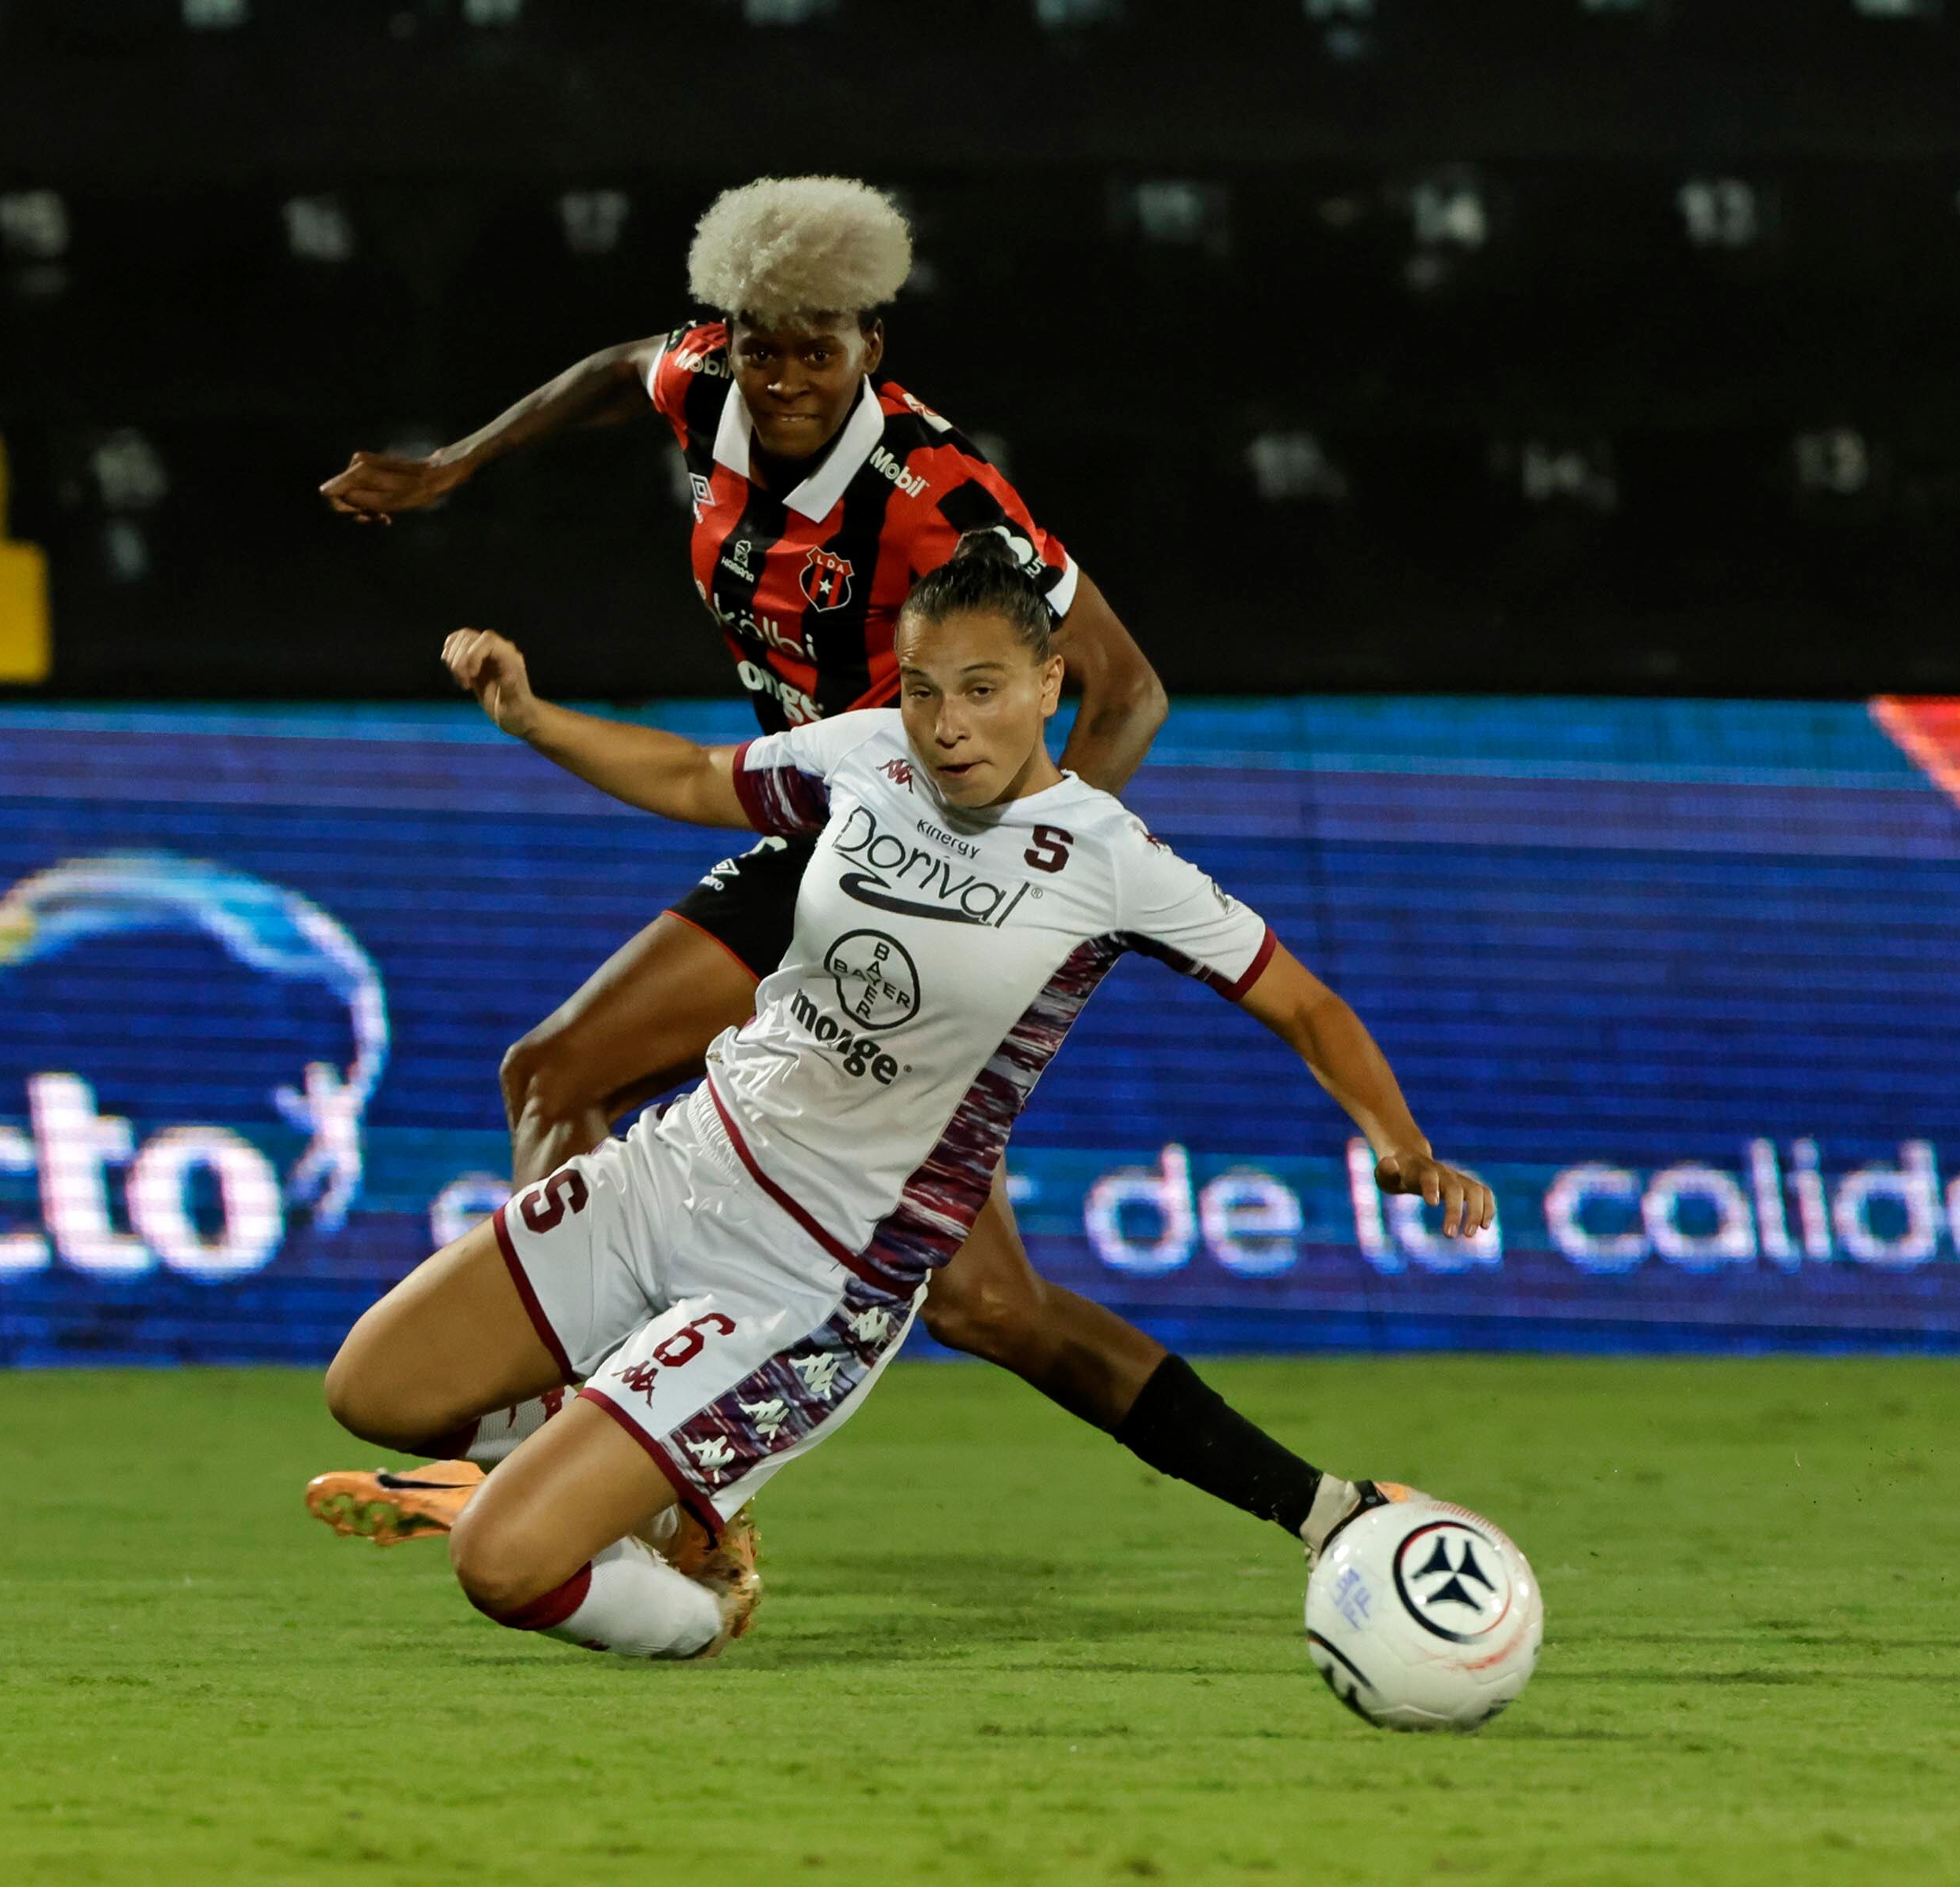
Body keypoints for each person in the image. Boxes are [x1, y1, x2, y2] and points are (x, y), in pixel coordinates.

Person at [308, 175, 1406, 1561]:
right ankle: (582, 1453)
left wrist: (1021, 878)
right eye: (761, 345)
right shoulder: (711, 375)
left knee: (988, 1308)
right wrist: (457, 465)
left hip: (915, 861)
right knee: (559, 1074)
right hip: (812, 834)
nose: (779, 377)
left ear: (869, 346)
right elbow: (615, 371)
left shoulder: (941, 498)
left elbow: (1128, 693)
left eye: (814, 350)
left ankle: (1313, 1508)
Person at [320, 536, 1495, 1659]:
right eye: (927, 690)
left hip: (809, 1276)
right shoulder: (868, 753)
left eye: (982, 691)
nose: (946, 725)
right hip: (677, 1169)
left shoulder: (1110, 859)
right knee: (372, 1387)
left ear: (1048, 685)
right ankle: (634, 1498)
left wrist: (1401, 1143)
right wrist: (531, 718)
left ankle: (695, 1604)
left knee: (500, 1566)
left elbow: (1304, 1004)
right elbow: (689, 774)